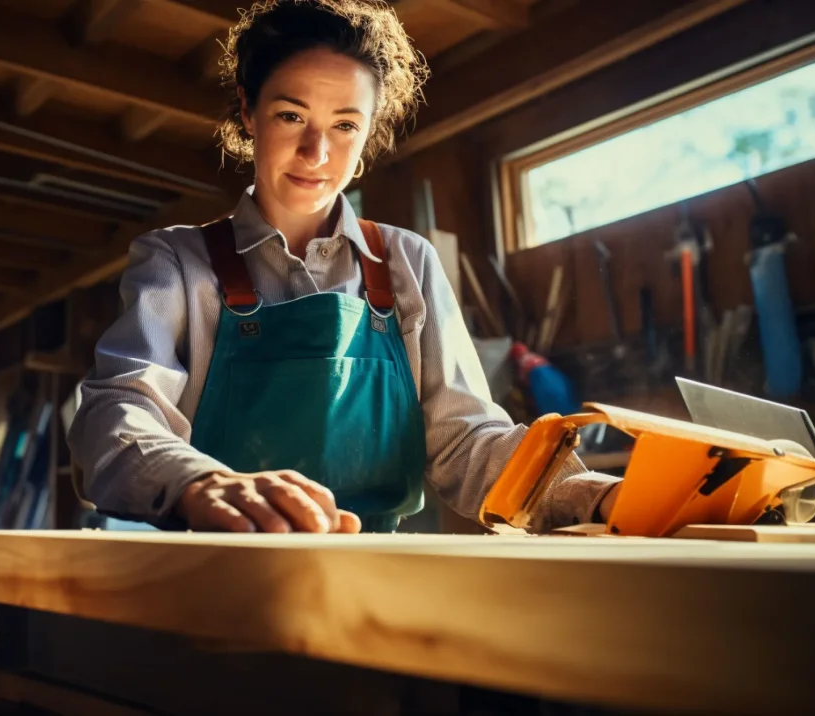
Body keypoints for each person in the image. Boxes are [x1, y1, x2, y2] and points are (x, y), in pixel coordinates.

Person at [67, 0, 621, 534]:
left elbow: (466, 440)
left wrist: (598, 497)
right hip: (216, 575)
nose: (317, 153)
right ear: (248, 110)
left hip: (375, 580)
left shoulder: (408, 262)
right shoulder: (176, 263)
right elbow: (117, 415)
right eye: (291, 115)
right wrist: (200, 482)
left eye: (345, 126)